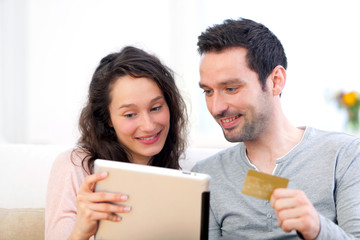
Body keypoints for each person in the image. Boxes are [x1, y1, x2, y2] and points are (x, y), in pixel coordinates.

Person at [192, 18, 360, 240]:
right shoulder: (206, 174)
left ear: (276, 81)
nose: (216, 108)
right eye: (208, 91)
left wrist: (318, 229)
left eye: (231, 88)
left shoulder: (344, 155)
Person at [45, 46, 187, 240]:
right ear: (108, 118)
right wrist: (81, 232)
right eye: (130, 114)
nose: (148, 126)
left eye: (155, 107)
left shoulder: (177, 175)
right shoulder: (75, 166)